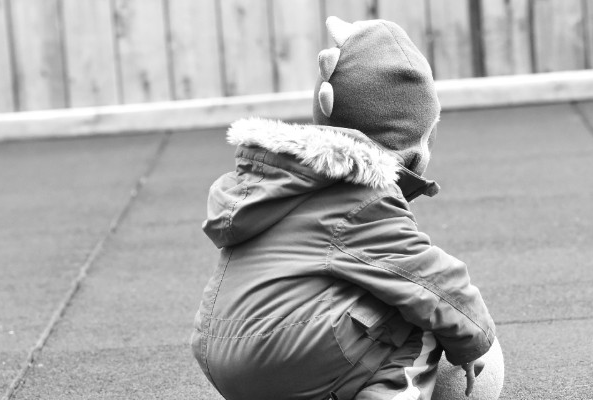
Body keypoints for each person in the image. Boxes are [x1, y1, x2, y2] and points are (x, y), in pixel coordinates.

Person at [191, 16, 503, 400]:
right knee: (418, 314)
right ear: (415, 141)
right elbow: (430, 279)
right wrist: (475, 341)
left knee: (357, 291)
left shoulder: (273, 184)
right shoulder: (362, 197)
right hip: (287, 354)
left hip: (221, 352)